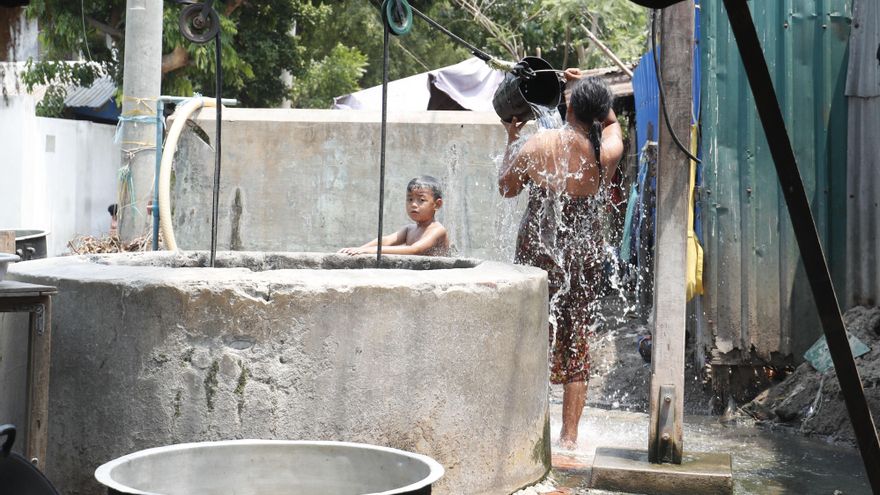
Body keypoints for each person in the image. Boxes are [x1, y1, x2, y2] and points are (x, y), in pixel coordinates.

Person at [498, 70, 624, 450]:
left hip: (540, 248)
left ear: (568, 108)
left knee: (532, 337)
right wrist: (590, 92)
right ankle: (569, 439)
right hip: (583, 253)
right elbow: (611, 122)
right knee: (577, 342)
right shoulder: (606, 151)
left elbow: (507, 187)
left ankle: (527, 435)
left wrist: (512, 139)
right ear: (598, 114)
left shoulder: (540, 143)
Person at [339, 175, 449, 256]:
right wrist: (358, 249)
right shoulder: (409, 229)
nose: (413, 204)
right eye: (410, 199)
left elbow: (415, 250)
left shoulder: (438, 230)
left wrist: (373, 250)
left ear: (437, 204)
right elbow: (386, 240)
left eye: (421, 200)